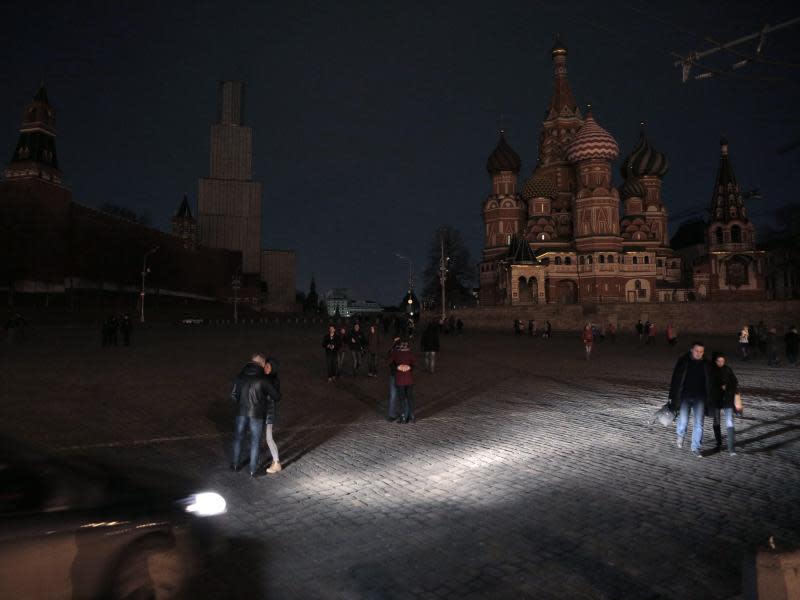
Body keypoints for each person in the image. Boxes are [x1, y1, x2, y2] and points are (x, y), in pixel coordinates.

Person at [230, 353, 280, 477]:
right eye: (264, 365)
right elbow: (276, 396)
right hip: (256, 414)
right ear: (261, 364)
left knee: (238, 439)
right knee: (255, 442)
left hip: (240, 413)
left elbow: (233, 395)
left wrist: (241, 403)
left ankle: (235, 464)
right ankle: (252, 470)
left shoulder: (240, 376)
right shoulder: (262, 379)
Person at [668, 341, 712, 457]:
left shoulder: (707, 364)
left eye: (701, 352)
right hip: (685, 397)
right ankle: (681, 435)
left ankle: (696, 447)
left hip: (700, 398)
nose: (699, 353)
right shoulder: (683, 361)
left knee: (699, 423)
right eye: (697, 351)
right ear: (692, 350)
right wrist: (672, 397)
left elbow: (711, 382)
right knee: (683, 420)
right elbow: (675, 380)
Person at [708, 352, 738, 456]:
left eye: (723, 361)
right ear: (715, 361)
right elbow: (709, 385)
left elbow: (735, 382)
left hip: (727, 399)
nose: (721, 363)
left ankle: (731, 447)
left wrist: (727, 387)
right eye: (719, 361)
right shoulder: (711, 371)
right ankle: (718, 443)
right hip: (716, 399)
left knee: (730, 421)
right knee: (716, 422)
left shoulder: (728, 369)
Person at [263, 358, 282, 474]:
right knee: (268, 438)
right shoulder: (266, 378)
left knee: (269, 438)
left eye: (268, 367)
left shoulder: (273, 381)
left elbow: (275, 396)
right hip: (265, 411)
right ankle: (276, 461)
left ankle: (276, 462)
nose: (265, 368)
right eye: (265, 366)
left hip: (269, 412)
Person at [391, 337, 416, 423]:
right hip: (409, 379)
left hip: (400, 379)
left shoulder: (396, 353)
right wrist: (409, 367)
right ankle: (412, 416)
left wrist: (398, 366)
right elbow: (414, 364)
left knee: (402, 399)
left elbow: (389, 362)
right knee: (409, 397)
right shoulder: (410, 353)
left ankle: (403, 417)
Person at [385, 336, 402, 421]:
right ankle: (402, 413)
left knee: (393, 395)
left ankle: (392, 414)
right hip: (400, 375)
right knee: (401, 394)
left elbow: (388, 362)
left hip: (394, 374)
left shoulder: (392, 351)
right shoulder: (401, 351)